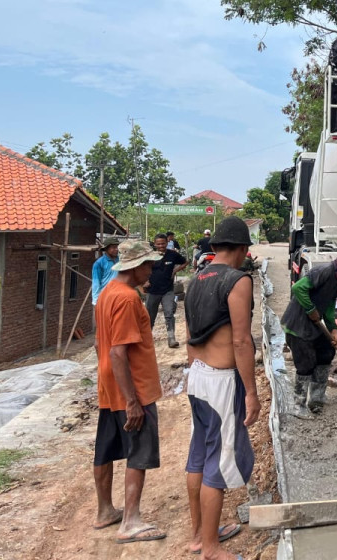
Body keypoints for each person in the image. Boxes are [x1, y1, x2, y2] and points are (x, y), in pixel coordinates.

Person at [183, 216, 260, 558]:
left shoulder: (196, 279)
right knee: (219, 460)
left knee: (199, 455)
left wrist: (193, 372)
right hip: (220, 382)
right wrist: (251, 393)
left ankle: (200, 535)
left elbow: (190, 335)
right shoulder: (237, 281)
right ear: (242, 249)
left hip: (197, 376)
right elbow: (241, 341)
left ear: (214, 247)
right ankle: (211, 549)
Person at [92, 240, 166, 544]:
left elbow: (100, 344)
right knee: (139, 451)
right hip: (132, 386)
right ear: (136, 266)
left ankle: (105, 511)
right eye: (149, 265)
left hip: (109, 385)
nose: (151, 270)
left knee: (105, 448)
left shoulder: (107, 293)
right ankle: (130, 521)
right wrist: (133, 401)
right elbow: (119, 352)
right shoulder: (127, 298)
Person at [282, 247, 337, 417]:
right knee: (306, 363)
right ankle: (298, 405)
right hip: (298, 324)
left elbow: (329, 306)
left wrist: (334, 329)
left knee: (326, 352)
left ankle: (317, 399)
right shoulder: (324, 271)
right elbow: (298, 288)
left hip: (314, 325)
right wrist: (311, 309)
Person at [144, 233, 187, 348]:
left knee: (169, 314)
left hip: (168, 290)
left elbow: (185, 261)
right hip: (152, 291)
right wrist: (145, 281)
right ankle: (146, 339)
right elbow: (142, 268)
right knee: (149, 316)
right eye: (158, 244)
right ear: (154, 244)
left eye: (163, 243)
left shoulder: (172, 254)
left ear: (167, 243)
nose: (161, 246)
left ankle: (171, 338)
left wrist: (175, 270)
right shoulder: (150, 256)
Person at [92, 236, 121, 307]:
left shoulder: (120, 260)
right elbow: (96, 283)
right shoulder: (99, 263)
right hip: (106, 298)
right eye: (113, 247)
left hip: (118, 297)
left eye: (117, 247)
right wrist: (96, 302)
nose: (116, 249)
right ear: (106, 248)